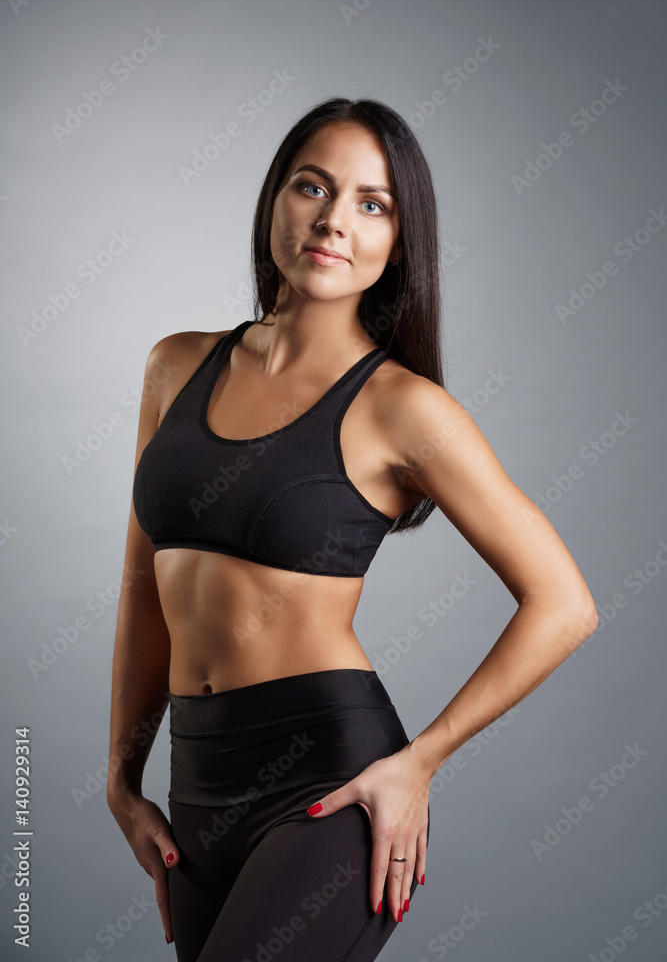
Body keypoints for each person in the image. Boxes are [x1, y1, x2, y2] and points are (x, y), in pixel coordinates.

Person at [106, 97, 598, 961]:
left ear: (398, 243)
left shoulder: (403, 408)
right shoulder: (174, 364)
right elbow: (144, 584)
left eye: (373, 204)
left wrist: (420, 762)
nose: (334, 220)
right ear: (275, 202)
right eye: (313, 187)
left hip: (326, 785)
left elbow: (563, 603)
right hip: (195, 779)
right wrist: (120, 776)